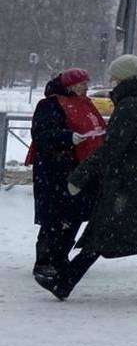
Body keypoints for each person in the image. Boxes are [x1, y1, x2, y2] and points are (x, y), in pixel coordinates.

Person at [36, 54, 137, 306]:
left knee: (113, 231)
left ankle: (65, 282)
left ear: (124, 78)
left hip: (127, 183)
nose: (111, 82)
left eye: (114, 77)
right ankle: (65, 282)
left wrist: (80, 175)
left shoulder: (130, 106)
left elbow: (111, 148)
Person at [26, 68, 105, 282]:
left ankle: (60, 258)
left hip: (79, 170)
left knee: (74, 217)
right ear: (69, 85)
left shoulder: (85, 102)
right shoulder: (50, 104)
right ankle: (44, 262)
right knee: (55, 219)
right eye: (81, 84)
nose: (85, 87)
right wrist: (68, 137)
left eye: (86, 83)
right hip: (54, 171)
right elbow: (42, 134)